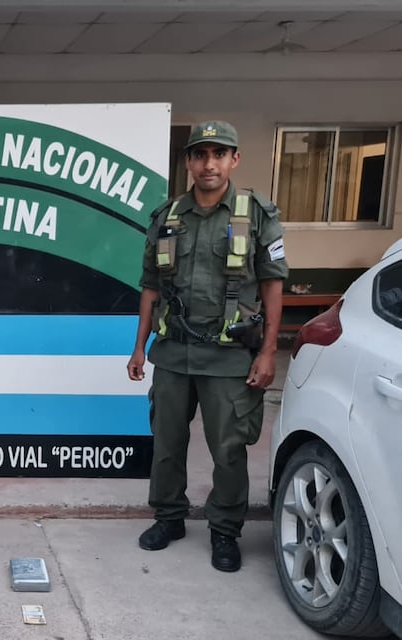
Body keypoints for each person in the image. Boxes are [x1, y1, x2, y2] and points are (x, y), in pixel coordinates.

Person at [127, 121, 288, 572]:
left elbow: (274, 285)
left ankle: (224, 531)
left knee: (229, 449)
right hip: (174, 353)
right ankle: (169, 517)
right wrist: (139, 347)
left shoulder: (256, 214)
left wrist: (269, 350)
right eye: (200, 155)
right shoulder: (167, 217)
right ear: (189, 162)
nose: (209, 164)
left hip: (230, 358)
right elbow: (149, 286)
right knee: (167, 442)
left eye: (219, 154)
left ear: (234, 160)